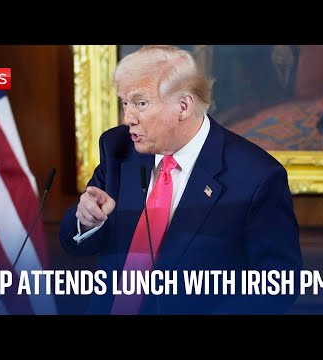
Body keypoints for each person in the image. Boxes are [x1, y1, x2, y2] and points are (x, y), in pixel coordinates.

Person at [59, 45, 303, 315]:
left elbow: (279, 284)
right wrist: (86, 222)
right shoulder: (118, 148)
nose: (128, 118)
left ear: (183, 106)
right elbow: (74, 241)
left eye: (141, 103)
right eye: (124, 103)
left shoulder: (256, 176)